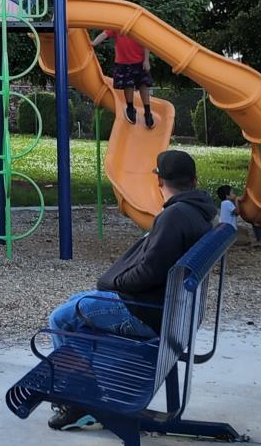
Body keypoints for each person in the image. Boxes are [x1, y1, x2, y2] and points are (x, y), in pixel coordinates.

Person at [44, 148, 217, 431]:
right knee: (79, 302)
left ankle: (78, 401)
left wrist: (115, 283)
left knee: (61, 319)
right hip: (175, 314)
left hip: (149, 314)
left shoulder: (174, 217)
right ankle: (86, 395)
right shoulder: (200, 213)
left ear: (159, 181)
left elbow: (149, 271)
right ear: (194, 179)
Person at [91, 29, 155, 127]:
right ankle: (130, 107)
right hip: (123, 62)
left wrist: (146, 60)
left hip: (138, 61)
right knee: (128, 85)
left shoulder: (136, 26)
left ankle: (147, 111)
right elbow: (104, 34)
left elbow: (145, 42)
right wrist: (93, 43)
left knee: (143, 84)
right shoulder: (117, 26)